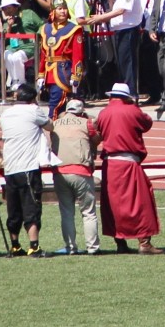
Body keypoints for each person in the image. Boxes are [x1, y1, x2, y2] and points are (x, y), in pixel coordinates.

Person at [95, 83, 164, 255]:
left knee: (113, 205)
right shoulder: (133, 110)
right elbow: (147, 123)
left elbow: (98, 130)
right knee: (141, 202)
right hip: (129, 163)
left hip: (110, 164)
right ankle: (144, 243)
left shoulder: (103, 113)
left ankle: (120, 243)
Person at [0, 84, 53, 258]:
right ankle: (33, 246)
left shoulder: (5, 114)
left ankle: (15, 245)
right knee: (32, 207)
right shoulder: (33, 111)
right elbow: (50, 126)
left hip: (10, 167)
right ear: (32, 99)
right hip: (28, 166)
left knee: (13, 209)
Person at [50, 99, 101, 255]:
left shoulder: (55, 124)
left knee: (66, 212)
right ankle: (92, 247)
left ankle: (70, 247)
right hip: (81, 171)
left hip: (60, 172)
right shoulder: (86, 123)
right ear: (81, 111)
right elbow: (97, 138)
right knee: (88, 212)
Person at [87, 0, 145, 99]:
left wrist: (101, 18)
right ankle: (126, 93)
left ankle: (131, 94)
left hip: (128, 30)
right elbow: (115, 8)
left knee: (128, 64)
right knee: (122, 64)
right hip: (120, 30)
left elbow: (121, 10)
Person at [37, 0, 85, 118]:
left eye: (65, 9)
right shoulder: (45, 28)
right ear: (53, 11)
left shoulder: (74, 29)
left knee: (56, 102)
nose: (63, 11)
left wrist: (76, 75)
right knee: (57, 102)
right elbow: (43, 53)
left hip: (63, 71)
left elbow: (77, 55)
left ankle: (51, 123)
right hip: (49, 73)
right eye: (59, 9)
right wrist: (41, 74)